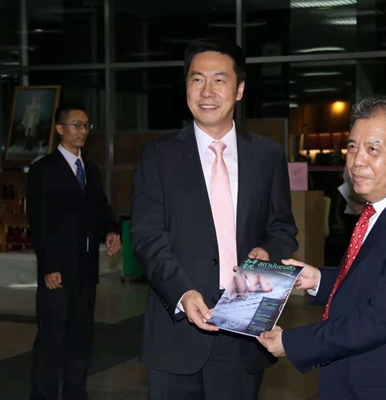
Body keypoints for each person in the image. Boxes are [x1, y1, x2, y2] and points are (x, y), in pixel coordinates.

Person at [257, 98, 386, 400]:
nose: (356, 161)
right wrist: (318, 280)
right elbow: (373, 281)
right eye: (352, 147)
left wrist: (291, 342)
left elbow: (376, 320)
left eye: (373, 150)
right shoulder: (383, 208)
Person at [130, 37, 298, 400]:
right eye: (197, 79)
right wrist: (182, 292)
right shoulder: (158, 156)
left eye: (219, 80)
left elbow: (283, 228)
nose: (207, 91)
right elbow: (146, 236)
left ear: (239, 89)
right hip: (176, 328)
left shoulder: (266, 155)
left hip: (243, 325)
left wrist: (267, 253)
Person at [27, 104, 121, 400]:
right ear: (60, 129)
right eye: (76, 125)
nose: (83, 131)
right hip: (57, 271)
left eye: (86, 126)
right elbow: (39, 222)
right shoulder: (43, 169)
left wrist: (111, 229)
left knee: (81, 339)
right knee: (51, 340)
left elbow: (100, 208)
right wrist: (49, 266)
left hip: (86, 269)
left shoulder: (90, 169)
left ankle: (75, 393)